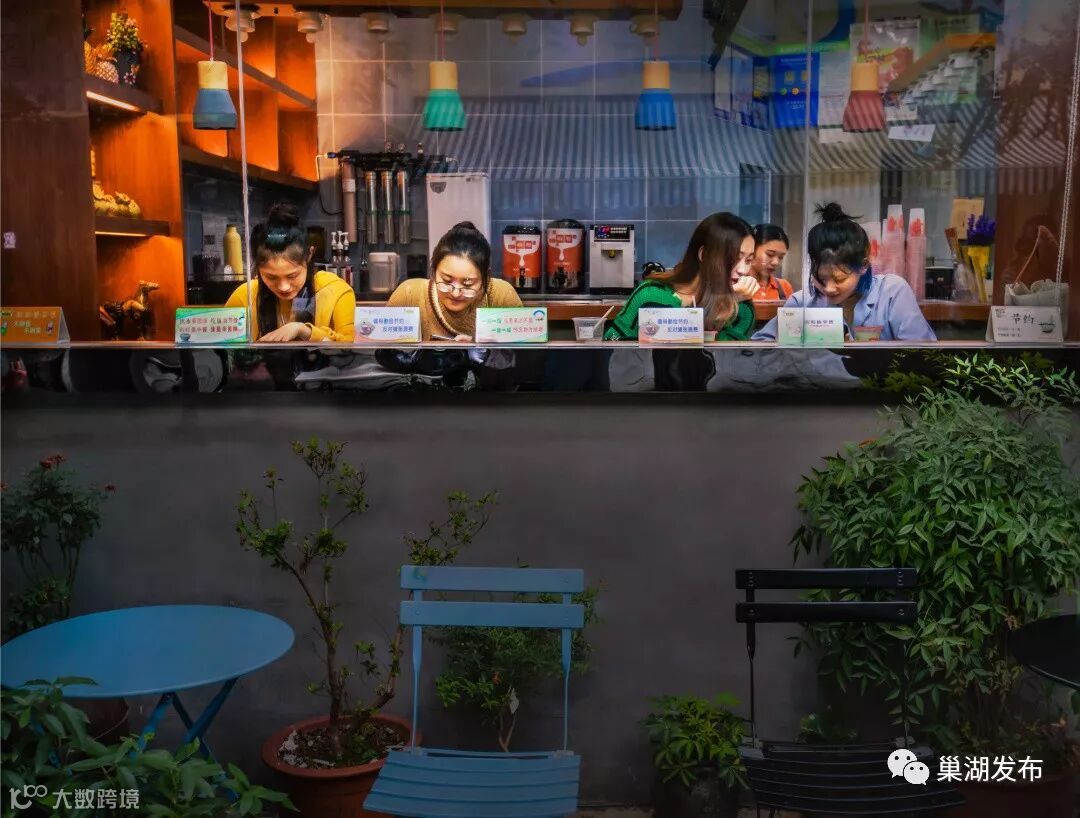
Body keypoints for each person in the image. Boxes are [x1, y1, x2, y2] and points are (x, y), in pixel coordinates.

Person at [753, 203, 936, 342]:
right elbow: (760, 347)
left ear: (863, 265)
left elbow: (923, 354)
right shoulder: (802, 302)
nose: (829, 288)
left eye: (839, 279)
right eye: (820, 279)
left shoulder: (891, 293)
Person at [604, 212, 760, 340]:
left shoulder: (742, 308)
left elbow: (723, 362)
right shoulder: (651, 294)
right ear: (704, 255)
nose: (743, 270)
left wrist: (728, 304)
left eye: (748, 260)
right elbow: (612, 343)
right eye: (733, 259)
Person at [225, 202, 355, 342]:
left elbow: (349, 346)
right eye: (271, 277)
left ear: (309, 255)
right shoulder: (245, 295)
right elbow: (222, 343)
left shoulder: (335, 290)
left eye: (292, 275)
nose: (284, 287)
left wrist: (304, 330)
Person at [387, 221, 522, 341]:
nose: (456, 293)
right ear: (433, 272)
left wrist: (478, 349)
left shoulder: (501, 296)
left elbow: (521, 354)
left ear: (485, 277)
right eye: (446, 281)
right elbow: (383, 350)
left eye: (468, 284)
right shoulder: (410, 294)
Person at [749, 223, 794, 301]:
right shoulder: (736, 286)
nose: (776, 262)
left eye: (781, 257)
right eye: (770, 254)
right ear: (752, 249)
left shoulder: (784, 287)